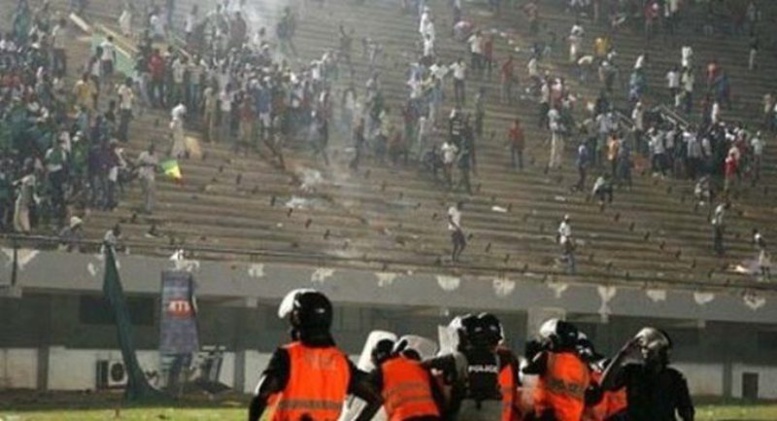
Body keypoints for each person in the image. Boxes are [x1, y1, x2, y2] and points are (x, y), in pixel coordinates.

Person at [248, 289, 381, 421]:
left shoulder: (288, 356)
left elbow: (262, 392)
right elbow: (376, 399)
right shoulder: (342, 362)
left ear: (297, 319)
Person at [601, 328, 695, 421]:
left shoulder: (675, 378)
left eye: (650, 350)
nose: (645, 353)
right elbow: (605, 384)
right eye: (644, 349)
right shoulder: (633, 371)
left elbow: (686, 412)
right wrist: (622, 354)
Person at [423, 314, 504, 420]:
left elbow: (430, 363)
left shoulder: (461, 357)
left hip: (468, 408)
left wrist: (411, 362)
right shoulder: (495, 359)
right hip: (494, 409)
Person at [523, 319, 594, 421]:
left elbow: (527, 370)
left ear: (553, 340)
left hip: (549, 415)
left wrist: (531, 354)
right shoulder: (583, 367)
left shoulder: (547, 357)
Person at [359, 338, 443, 421]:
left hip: (403, 417)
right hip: (432, 417)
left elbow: (368, 395)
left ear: (379, 357)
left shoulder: (381, 371)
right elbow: (437, 396)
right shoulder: (419, 366)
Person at [137, 143, 158, 214]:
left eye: (153, 149)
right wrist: (147, 164)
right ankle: (144, 206)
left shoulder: (155, 156)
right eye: (150, 148)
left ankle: (148, 208)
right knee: (145, 191)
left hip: (151, 175)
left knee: (150, 191)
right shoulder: (143, 154)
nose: (152, 150)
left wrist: (155, 167)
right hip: (143, 174)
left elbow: (156, 167)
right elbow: (138, 163)